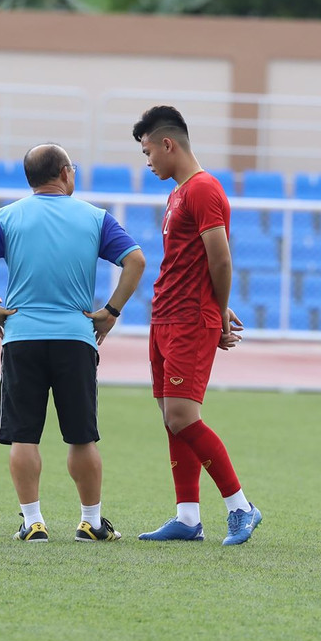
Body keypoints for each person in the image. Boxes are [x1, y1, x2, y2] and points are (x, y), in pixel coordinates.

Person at [0, 143, 146, 543]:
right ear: (64, 172)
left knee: (24, 435)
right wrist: (110, 311)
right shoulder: (94, 217)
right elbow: (136, 261)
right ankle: (91, 522)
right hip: (77, 337)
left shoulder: (7, 216)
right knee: (82, 436)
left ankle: (33, 521)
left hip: (22, 335)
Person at [132, 105, 261, 546]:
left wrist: (219, 311)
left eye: (148, 151)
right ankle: (188, 518)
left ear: (168, 144)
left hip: (189, 318)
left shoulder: (204, 189)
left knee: (185, 417)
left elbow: (220, 257)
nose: (147, 161)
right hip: (165, 316)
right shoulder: (178, 193)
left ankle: (241, 506)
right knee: (172, 419)